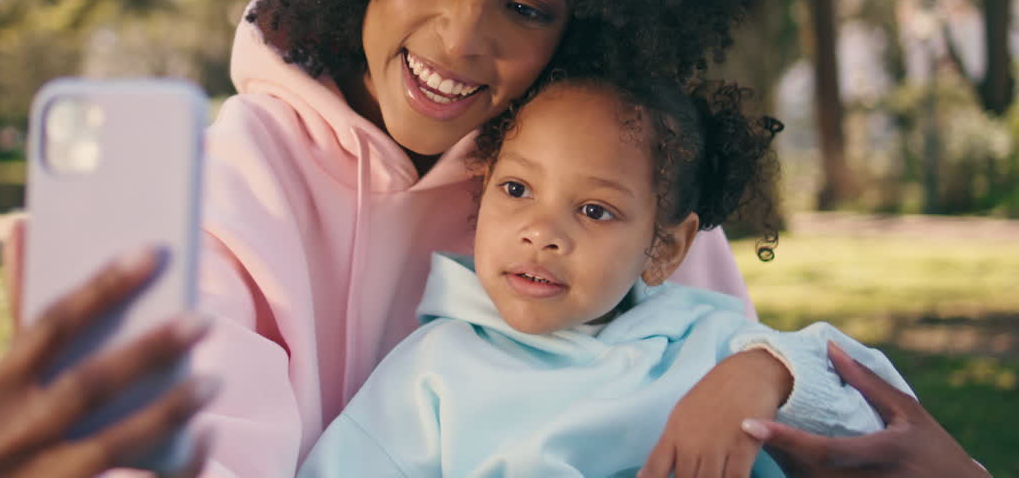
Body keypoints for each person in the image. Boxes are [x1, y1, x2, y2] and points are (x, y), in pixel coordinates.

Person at [0, 0, 987, 476]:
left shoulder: (625, 176)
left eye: (526, 6)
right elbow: (194, 439)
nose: (456, 38)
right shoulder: (235, 186)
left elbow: (763, 400)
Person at [295, 72, 910, 477]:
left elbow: (881, 414)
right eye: (517, 190)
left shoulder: (710, 343)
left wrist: (767, 374)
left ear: (664, 249)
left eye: (594, 210)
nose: (542, 232)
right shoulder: (433, 371)